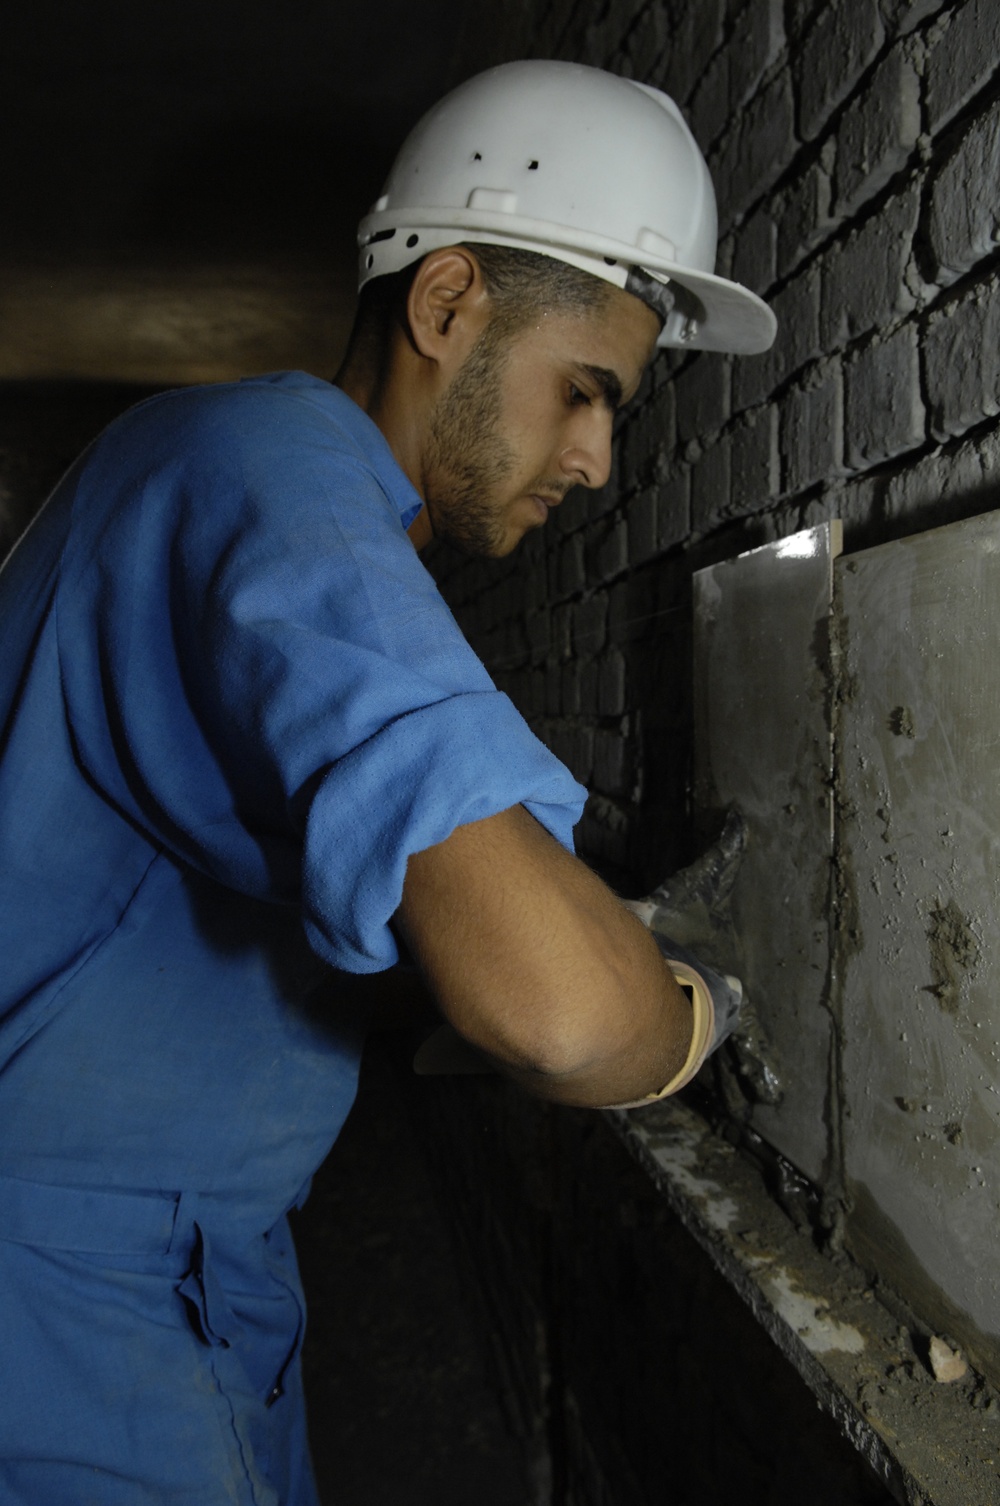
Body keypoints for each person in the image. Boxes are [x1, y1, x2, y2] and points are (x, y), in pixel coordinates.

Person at [0, 60, 774, 1506]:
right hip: (74, 1315)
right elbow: (558, 1007)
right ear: (447, 303)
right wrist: (701, 1002)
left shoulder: (223, 488)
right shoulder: (277, 468)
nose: (602, 459)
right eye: (586, 392)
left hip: (149, 1274)